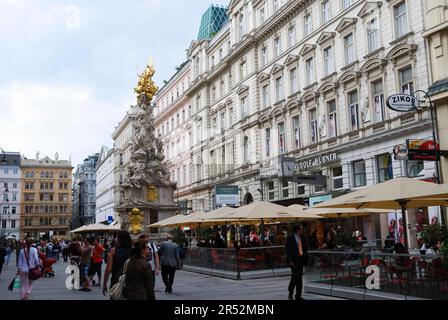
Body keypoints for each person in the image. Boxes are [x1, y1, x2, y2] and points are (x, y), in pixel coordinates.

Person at [103, 230, 132, 297]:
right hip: (130, 281)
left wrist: (104, 284)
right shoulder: (133, 250)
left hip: (116, 280)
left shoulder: (113, 251)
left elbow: (108, 269)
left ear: (119, 239)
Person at [285, 224, 309, 301]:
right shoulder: (290, 238)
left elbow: (305, 247)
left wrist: (305, 254)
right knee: (295, 277)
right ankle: (290, 291)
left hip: (301, 259)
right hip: (294, 261)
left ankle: (298, 295)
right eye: (301, 229)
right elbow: (288, 250)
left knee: (299, 278)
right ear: (297, 230)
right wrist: (290, 260)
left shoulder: (302, 237)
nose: (302, 230)